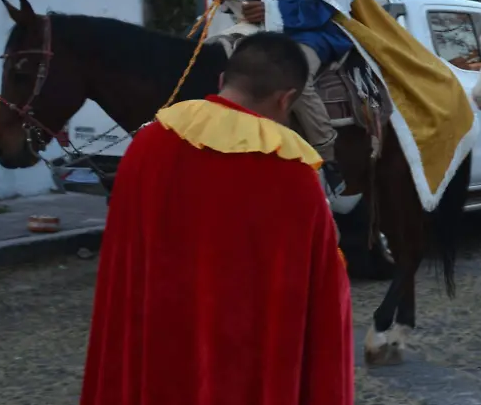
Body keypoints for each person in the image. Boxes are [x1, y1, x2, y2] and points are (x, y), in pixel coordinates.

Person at [81, 32, 353, 405]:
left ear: (222, 81)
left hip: (157, 360)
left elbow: (123, 266)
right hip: (240, 373)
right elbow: (322, 291)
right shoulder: (291, 172)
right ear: (286, 99)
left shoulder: (147, 145)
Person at [212, 0, 477, 205]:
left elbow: (324, 7)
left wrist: (270, 11)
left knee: (292, 73)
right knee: (218, 49)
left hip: (319, 33)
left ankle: (328, 157)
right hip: (272, 28)